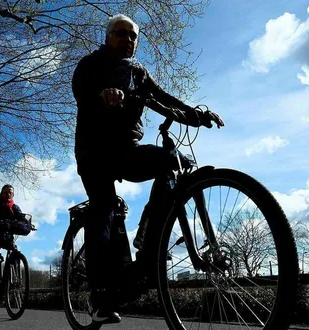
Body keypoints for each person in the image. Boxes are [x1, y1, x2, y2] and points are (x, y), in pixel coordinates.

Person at [71, 14, 225, 324]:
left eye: (133, 36)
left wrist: (195, 114)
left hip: (127, 150)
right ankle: (100, 294)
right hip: (95, 151)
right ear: (108, 36)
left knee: (173, 161)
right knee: (104, 207)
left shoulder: (139, 72)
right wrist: (104, 94)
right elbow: (81, 91)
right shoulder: (91, 63)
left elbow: (164, 98)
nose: (128, 40)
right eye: (121, 34)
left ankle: (148, 243)